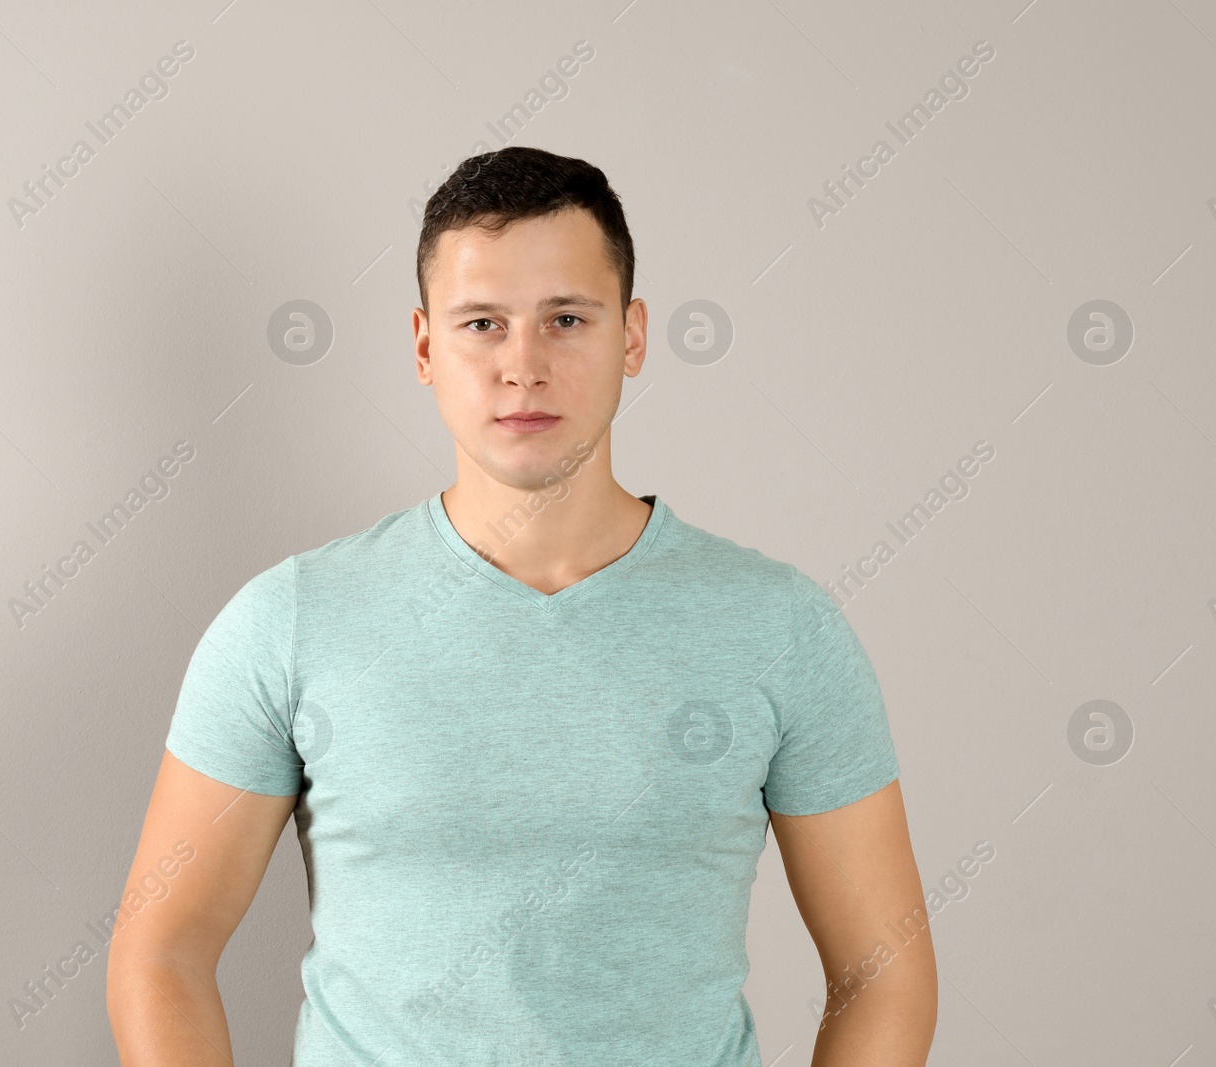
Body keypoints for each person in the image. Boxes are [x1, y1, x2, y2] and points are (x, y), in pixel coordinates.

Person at [107, 146, 937, 1065]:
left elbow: (883, 969)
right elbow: (162, 948)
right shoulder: (292, 621)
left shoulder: (781, 628)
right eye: (483, 324)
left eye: (566, 319)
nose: (523, 365)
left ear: (632, 335)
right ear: (425, 346)